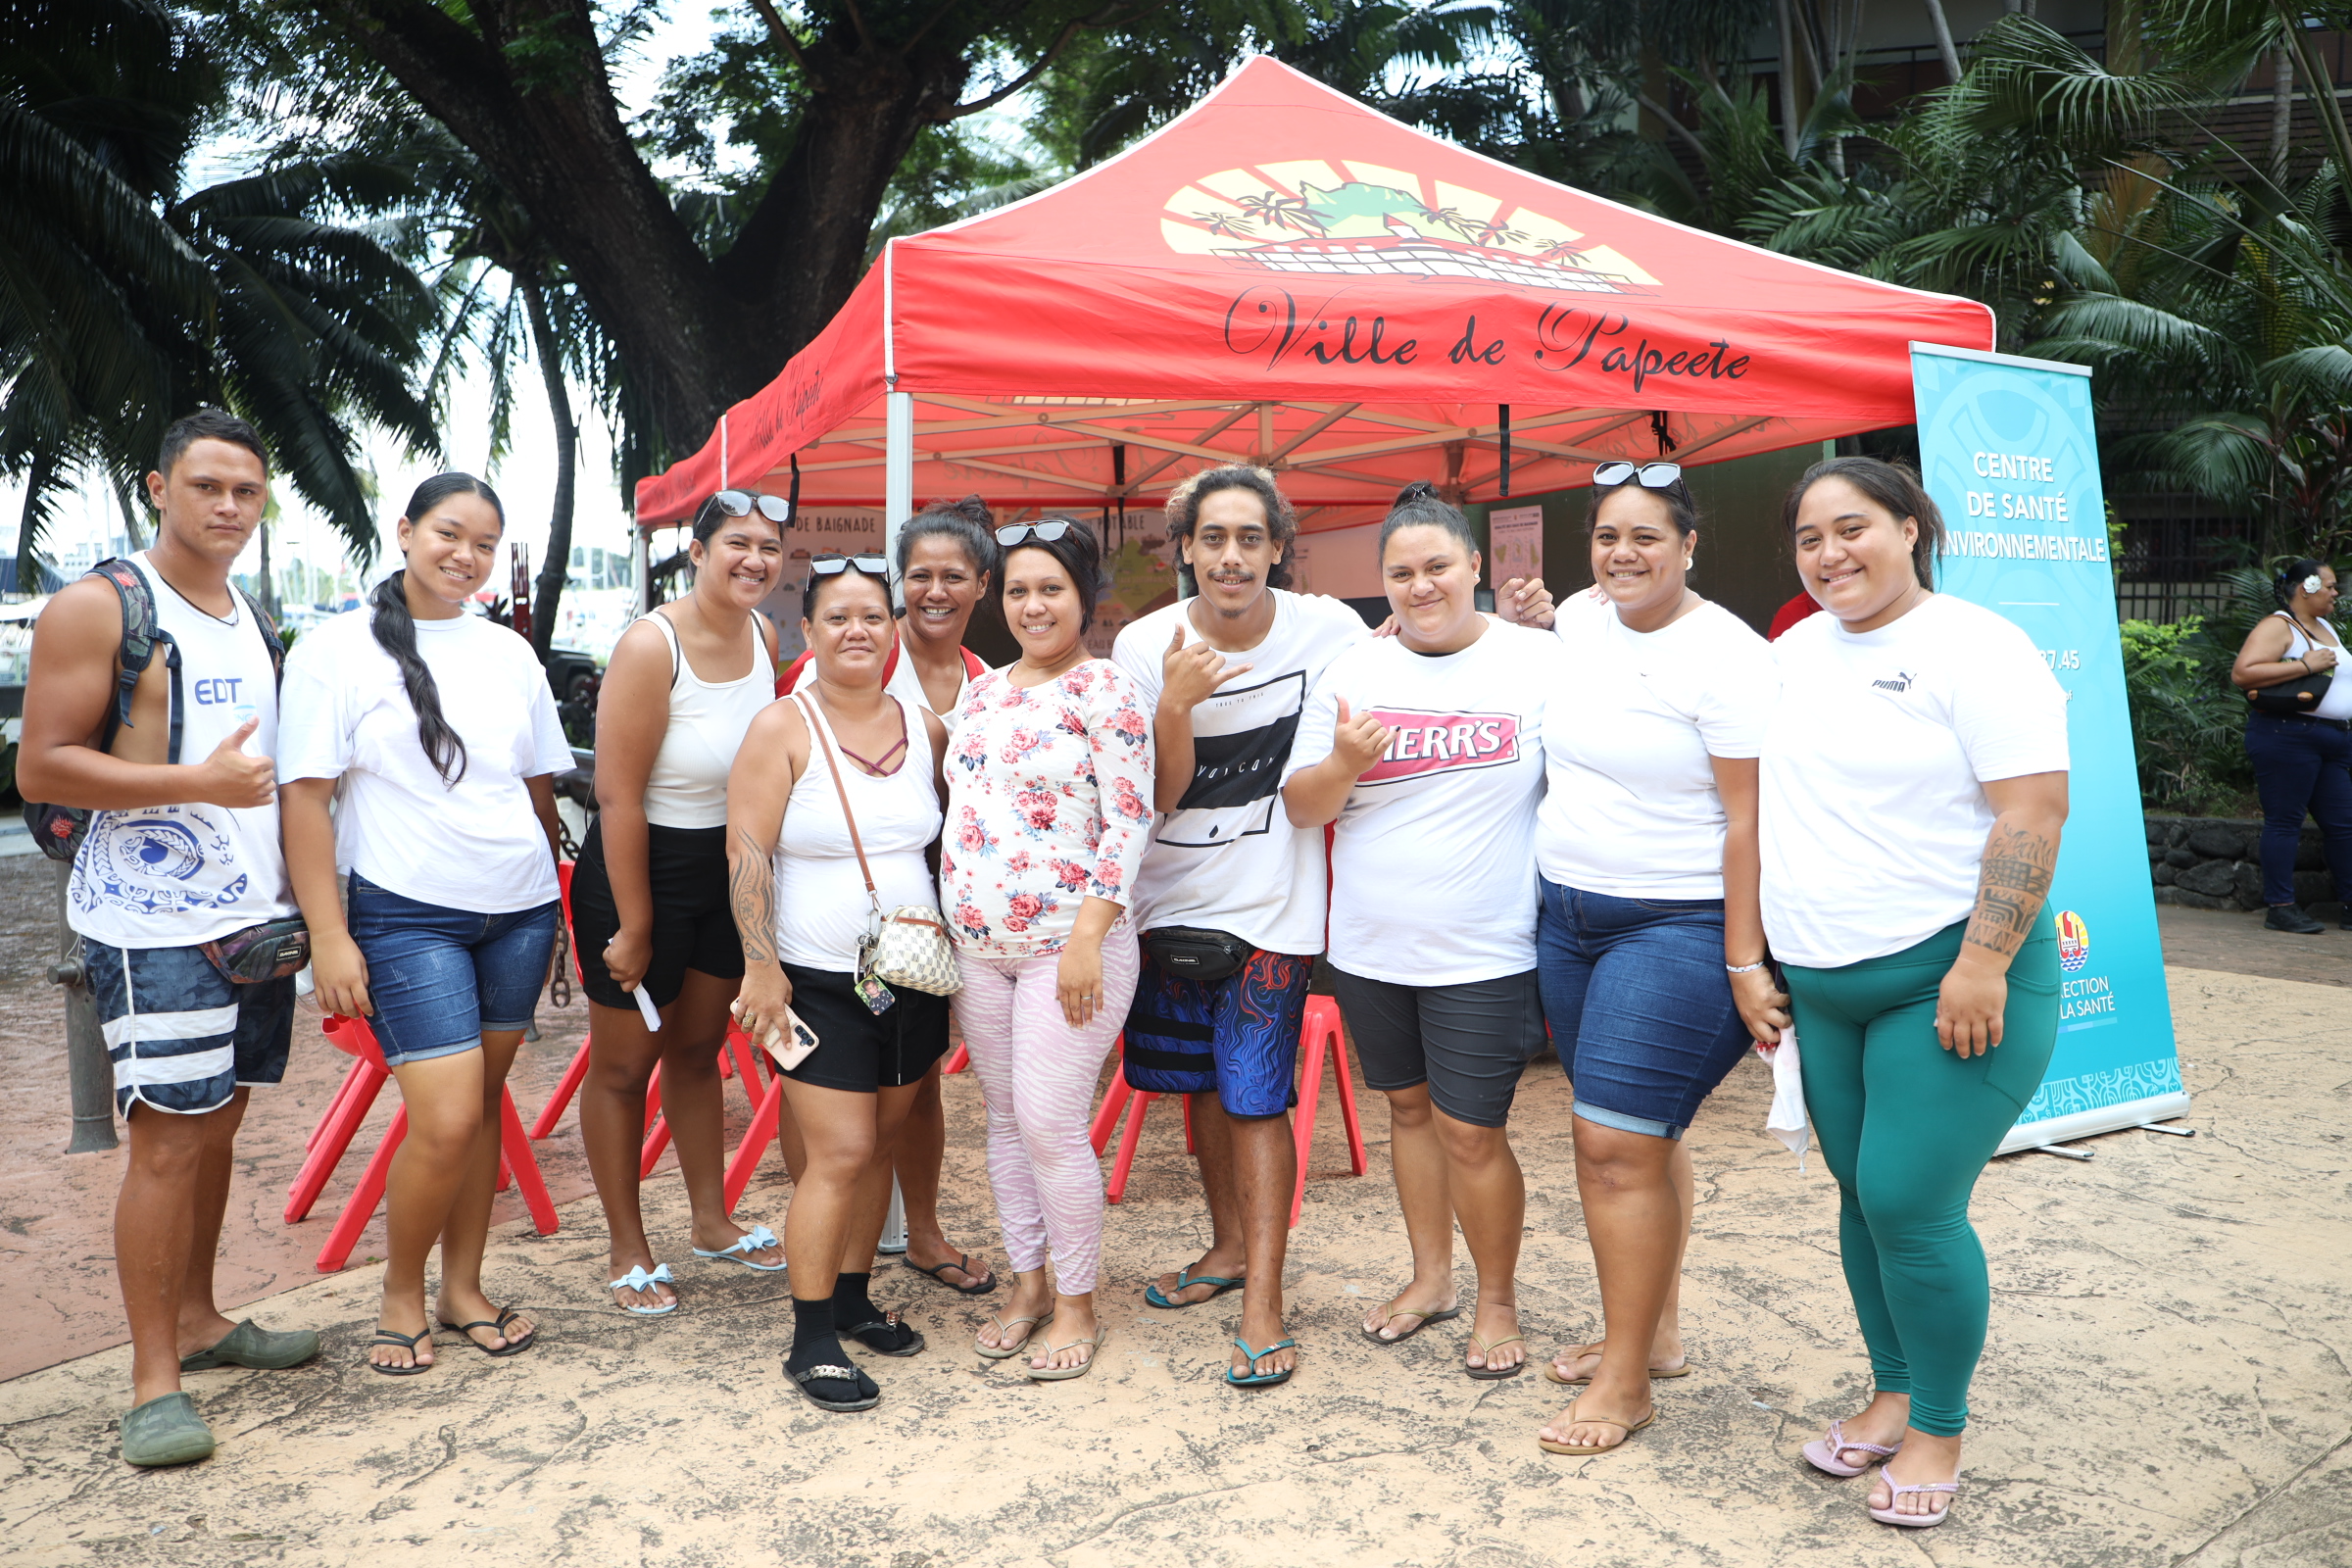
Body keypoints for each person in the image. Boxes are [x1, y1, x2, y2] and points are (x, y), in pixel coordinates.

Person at [1762, 457, 2069, 1529]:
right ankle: (1890, 1394)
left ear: (1909, 527)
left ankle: (1938, 1423)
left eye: (1854, 528)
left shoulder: (1977, 645)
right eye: (1809, 538)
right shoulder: (1794, 648)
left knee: (1908, 1199)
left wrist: (1982, 961)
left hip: (1945, 976)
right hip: (1822, 979)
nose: (1831, 553)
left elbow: (2031, 810)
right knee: (1857, 1188)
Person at [19, 410, 320, 1466]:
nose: (228, 506)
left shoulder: (250, 609)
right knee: (166, 1141)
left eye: (246, 489)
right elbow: (43, 766)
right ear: (159, 487)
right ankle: (152, 1381)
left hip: (254, 915)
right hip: (150, 925)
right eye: (206, 487)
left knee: (221, 1126)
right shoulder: (99, 606)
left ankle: (199, 1318)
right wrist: (193, 783)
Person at [278, 473, 571, 1375]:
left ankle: (464, 1287)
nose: (466, 557)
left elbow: (537, 786)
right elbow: (305, 799)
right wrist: (329, 936)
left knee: (481, 1108)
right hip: (405, 916)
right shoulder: (336, 649)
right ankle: (401, 1292)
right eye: (450, 534)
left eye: (485, 545)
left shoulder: (509, 653)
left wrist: (561, 897)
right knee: (443, 1120)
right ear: (405, 531)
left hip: (518, 907)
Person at [1528, 464, 1787, 1456]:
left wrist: (1740, 959)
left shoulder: (1728, 657)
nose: (1623, 554)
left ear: (1690, 545)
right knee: (1643, 1133)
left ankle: (1625, 1382)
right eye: (1606, 536)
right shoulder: (1584, 621)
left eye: (1646, 537)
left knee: (1611, 1147)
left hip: (1675, 922)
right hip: (1569, 916)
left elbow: (1749, 817)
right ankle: (1655, 1332)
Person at [1282, 481, 1559, 1382]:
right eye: (1400, 572)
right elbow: (1300, 805)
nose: (1420, 585)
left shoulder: (1538, 661)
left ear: (1477, 567)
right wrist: (1344, 763)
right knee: (1407, 1111)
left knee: (1472, 1130)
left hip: (1484, 946)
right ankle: (1431, 1278)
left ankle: (1498, 1300)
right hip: (1368, 944)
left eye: (1438, 565)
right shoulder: (1354, 672)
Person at [1110, 466, 1369, 1388]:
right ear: (1184, 548)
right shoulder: (1144, 645)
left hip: (1272, 913)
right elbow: (1158, 793)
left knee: (1257, 1096)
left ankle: (1266, 1300)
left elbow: (1313, 798)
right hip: (1166, 905)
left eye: (1249, 539)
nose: (1230, 557)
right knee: (1202, 1089)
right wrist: (1175, 703)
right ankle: (1226, 1250)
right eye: (1212, 538)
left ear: (1276, 551)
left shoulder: (1327, 631)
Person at [727, 556, 950, 1411]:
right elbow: (746, 854)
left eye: (872, 616)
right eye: (837, 618)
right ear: (810, 633)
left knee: (884, 1143)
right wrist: (761, 966)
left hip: (912, 972)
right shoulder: (782, 727)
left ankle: (854, 1300)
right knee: (842, 1153)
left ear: (894, 629)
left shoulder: (924, 727)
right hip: (812, 979)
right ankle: (811, 1337)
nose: (856, 631)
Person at [945, 516, 1152, 1380]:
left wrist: (1090, 936)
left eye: (1052, 590)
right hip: (976, 949)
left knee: (1051, 1123)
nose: (1034, 606)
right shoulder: (982, 692)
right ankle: (1028, 1285)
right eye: (1020, 590)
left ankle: (1076, 1303)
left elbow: (1133, 817)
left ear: (1084, 599)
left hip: (1070, 946)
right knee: (1001, 1120)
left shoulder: (1106, 690)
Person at [569, 490, 787, 1314]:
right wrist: (633, 923)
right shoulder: (649, 646)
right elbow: (617, 797)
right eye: (737, 542)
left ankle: (711, 1220)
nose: (755, 560)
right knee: (623, 1069)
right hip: (641, 866)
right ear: (696, 552)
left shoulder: (765, 636)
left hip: (723, 865)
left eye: (770, 547)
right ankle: (628, 1245)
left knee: (699, 1054)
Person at [776, 497, 1000, 1297]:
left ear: (982, 584)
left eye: (953, 576)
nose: (934, 591)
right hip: (829, 930)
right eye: (919, 577)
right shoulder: (848, 658)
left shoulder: (988, 683)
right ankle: (822, 1260)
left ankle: (917, 1237)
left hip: (927, 922)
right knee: (829, 1113)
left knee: (915, 1089)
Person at [2229, 559, 2352, 933]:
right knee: (2285, 822)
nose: (2336, 593)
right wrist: (2304, 665)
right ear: (2306, 588)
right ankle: (2280, 907)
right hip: (2287, 735)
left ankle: (2349, 904)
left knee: (2344, 824)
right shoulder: (2278, 625)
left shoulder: (2327, 626)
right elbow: (2243, 672)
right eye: (2329, 586)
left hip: (2333, 738)